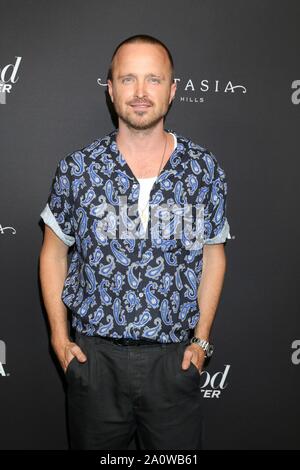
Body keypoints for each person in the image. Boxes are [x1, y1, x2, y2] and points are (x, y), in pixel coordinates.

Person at [39, 34, 231, 450]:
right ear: (110, 90)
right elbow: (54, 252)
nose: (141, 93)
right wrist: (59, 338)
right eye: (128, 79)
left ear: (172, 90)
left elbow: (214, 255)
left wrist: (201, 339)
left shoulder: (203, 168)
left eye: (153, 80)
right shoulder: (78, 169)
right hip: (94, 363)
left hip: (174, 363)